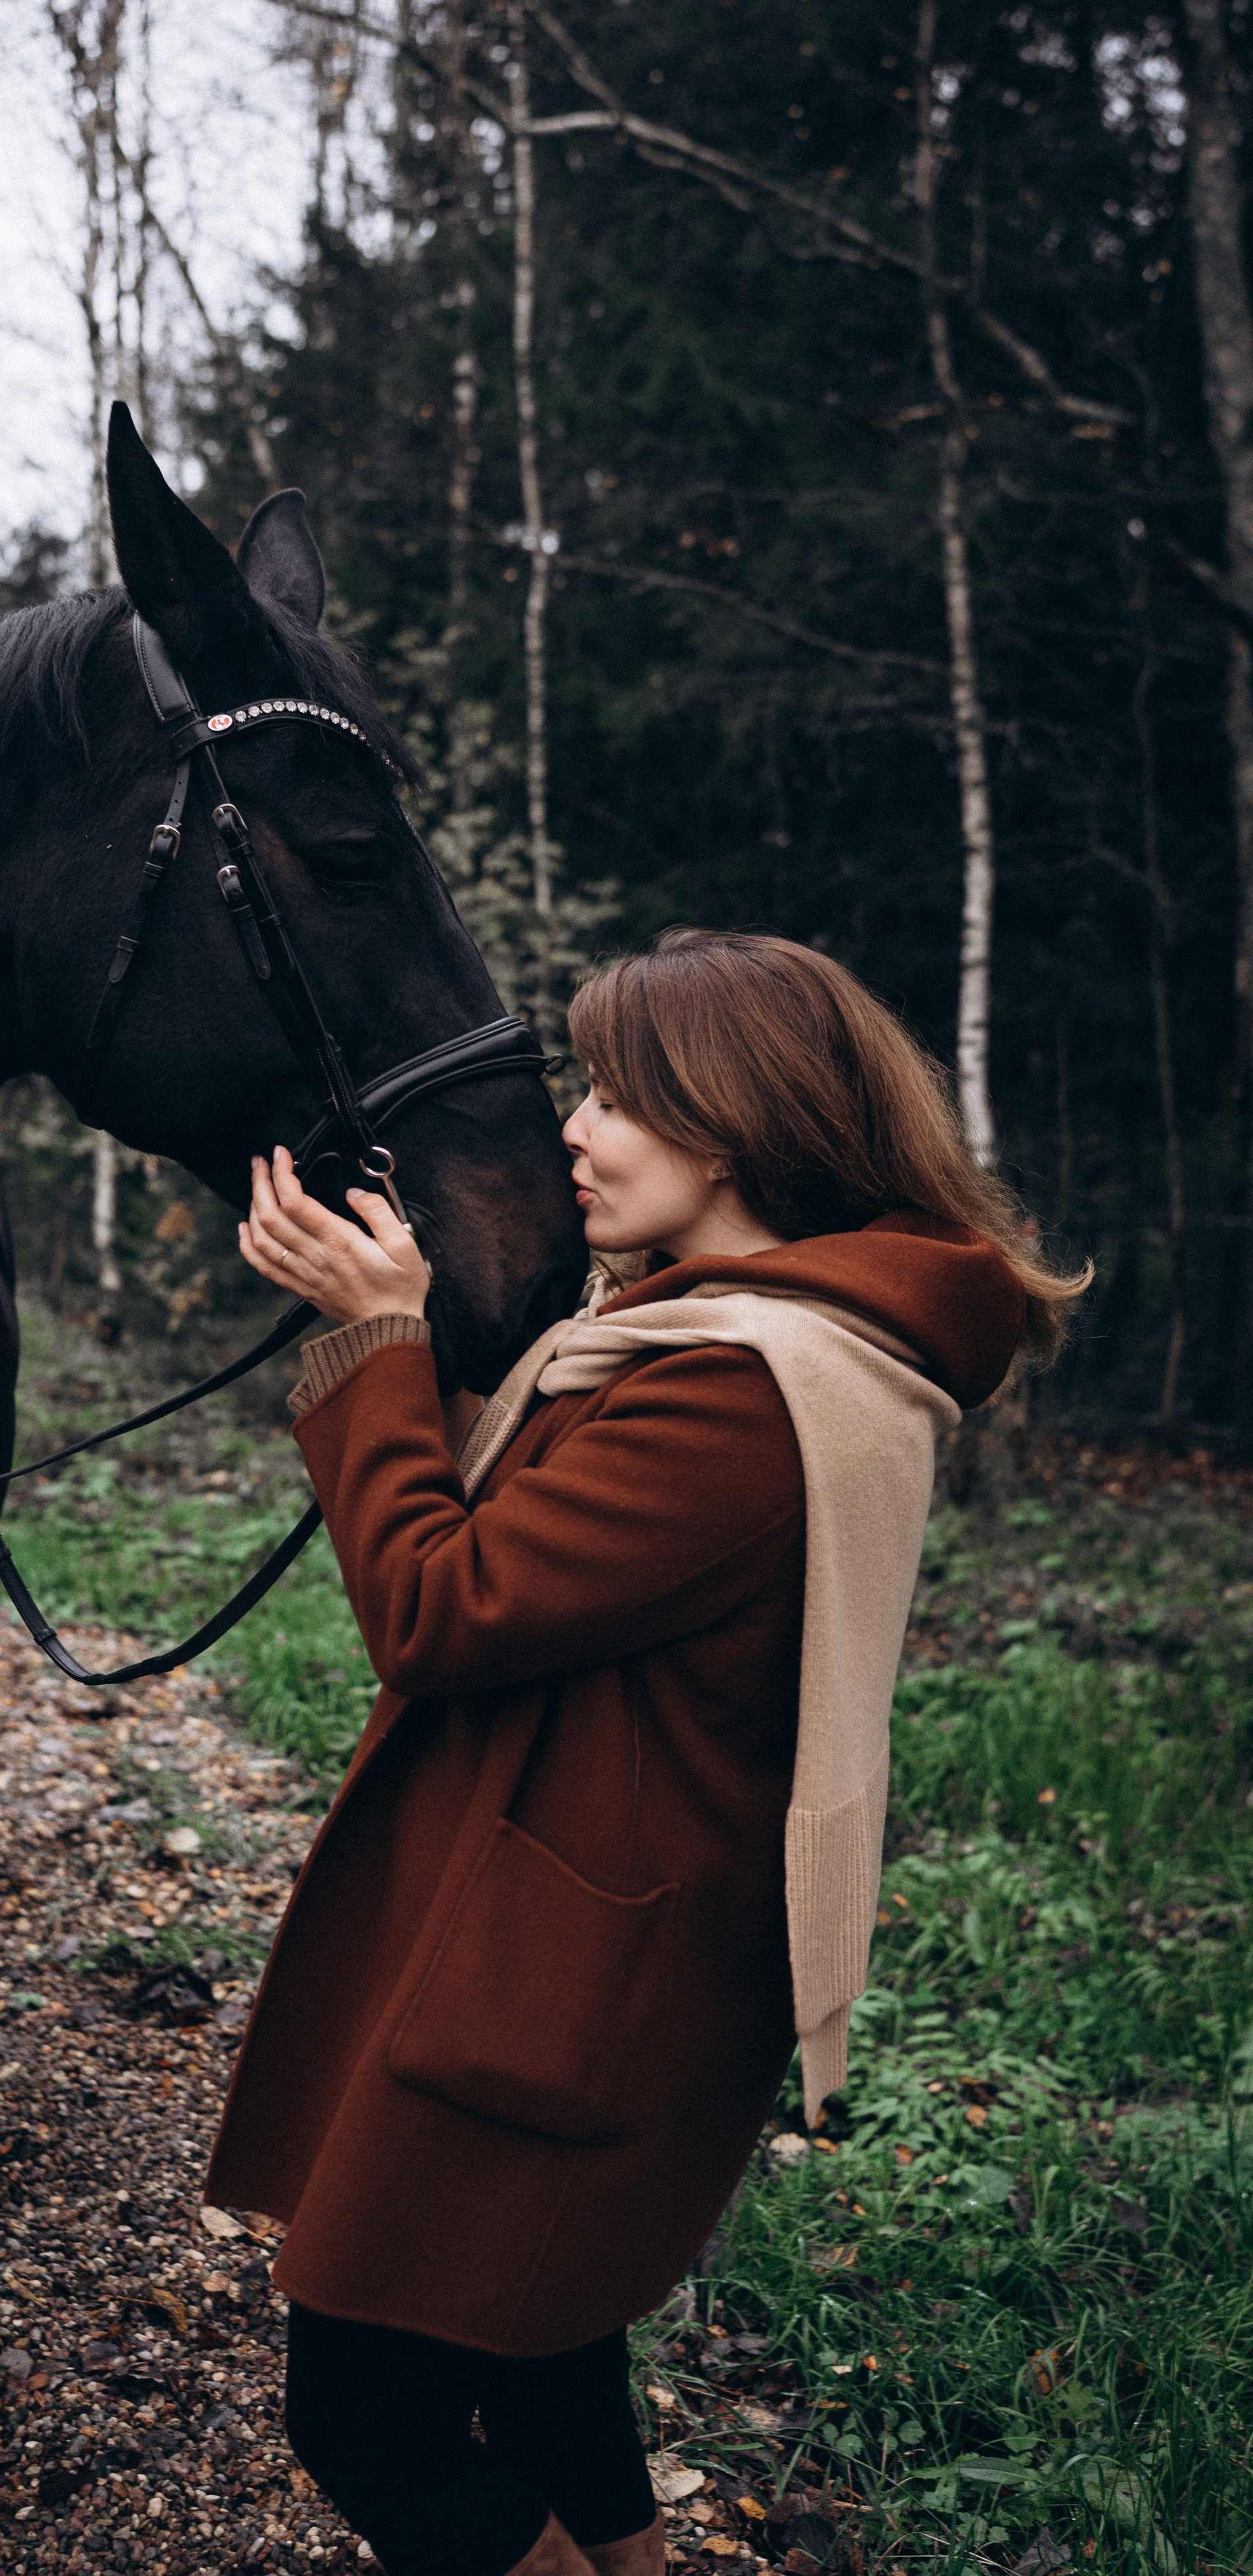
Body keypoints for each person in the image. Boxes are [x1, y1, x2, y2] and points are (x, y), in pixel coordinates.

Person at [205, 929, 1085, 2576]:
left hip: (557, 1989)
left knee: (366, 2413)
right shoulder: (717, 1335)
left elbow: (442, 1605)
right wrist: (389, 1324)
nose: (573, 1129)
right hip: (570, 1958)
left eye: (612, 1094)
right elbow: (538, 1534)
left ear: (728, 1122)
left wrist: (377, 1341)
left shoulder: (745, 1390)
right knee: (541, 2364)